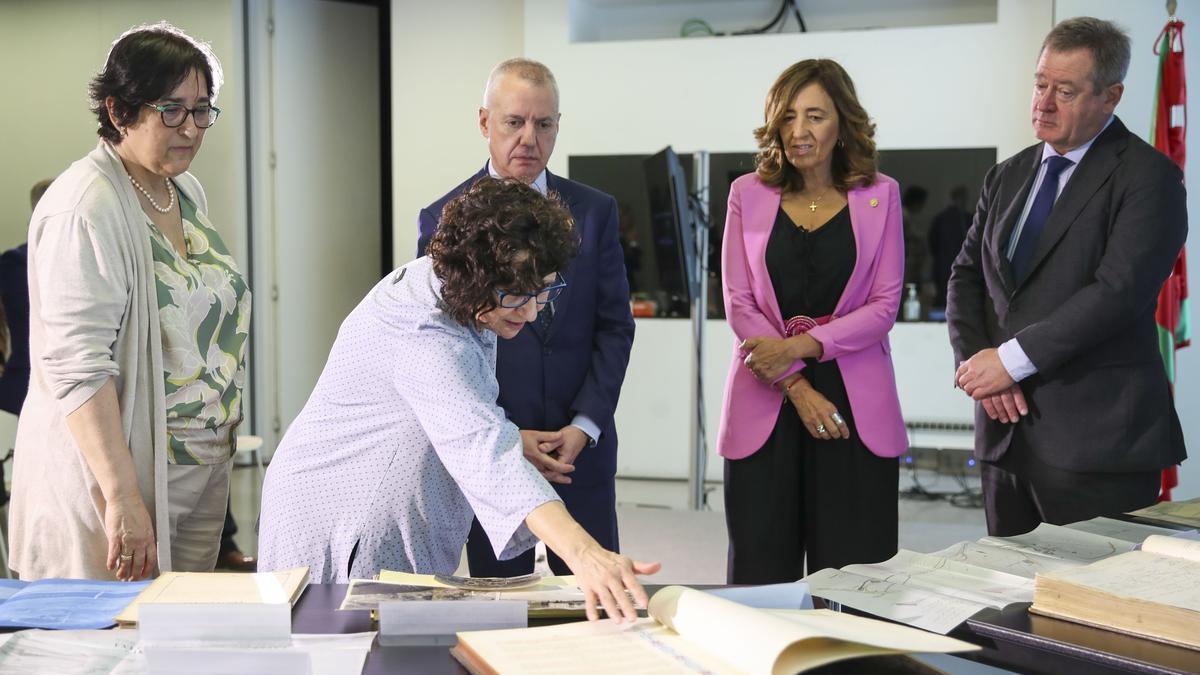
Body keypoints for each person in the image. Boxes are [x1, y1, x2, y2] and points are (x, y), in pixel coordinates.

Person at [258, 178, 657, 621]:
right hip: (343, 512)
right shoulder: (425, 328)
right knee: (348, 647)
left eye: (543, 290)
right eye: (515, 295)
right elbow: (486, 451)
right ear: (474, 276)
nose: (530, 311)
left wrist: (513, 438)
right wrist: (584, 554)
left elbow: (451, 408)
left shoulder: (454, 291)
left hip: (379, 492)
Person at [9, 22, 249, 580]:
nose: (191, 128)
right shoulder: (85, 205)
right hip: (121, 477)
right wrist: (122, 497)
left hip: (198, 466)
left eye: (202, 110)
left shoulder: (183, 189)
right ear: (119, 112)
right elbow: (78, 367)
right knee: (115, 651)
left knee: (180, 642)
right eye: (171, 110)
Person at [948, 17, 1188, 537]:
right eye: (1040, 84)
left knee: (1088, 608)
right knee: (1008, 604)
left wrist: (1009, 362)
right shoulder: (1008, 173)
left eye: (1065, 90)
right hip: (1005, 436)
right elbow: (966, 276)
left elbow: (1117, 293)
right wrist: (979, 370)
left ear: (1111, 96)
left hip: (1096, 444)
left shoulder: (1150, 178)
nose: (1044, 102)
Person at [416, 58, 634, 578]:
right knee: (499, 606)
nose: (528, 138)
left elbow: (614, 326)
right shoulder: (442, 219)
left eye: (544, 124)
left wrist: (585, 424)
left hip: (580, 443)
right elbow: (444, 351)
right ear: (485, 122)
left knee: (591, 597)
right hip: (493, 445)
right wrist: (508, 437)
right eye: (514, 122)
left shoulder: (595, 211)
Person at [718, 59, 908, 584]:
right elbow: (739, 302)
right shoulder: (746, 194)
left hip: (854, 407)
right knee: (761, 575)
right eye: (788, 117)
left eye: (816, 116)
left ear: (843, 122)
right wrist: (796, 385)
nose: (799, 131)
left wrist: (800, 348)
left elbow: (883, 305)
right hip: (766, 397)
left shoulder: (881, 194)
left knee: (855, 579)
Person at [928, 185, 970, 310]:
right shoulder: (943, 219)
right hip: (950, 264)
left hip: (948, 264)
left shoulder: (942, 218)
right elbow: (933, 242)